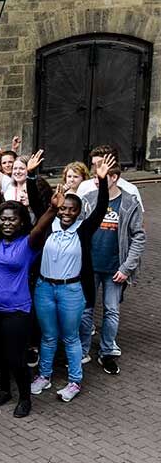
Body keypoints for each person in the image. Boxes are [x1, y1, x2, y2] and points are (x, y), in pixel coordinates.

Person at [31, 155, 113, 402]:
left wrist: (102, 180)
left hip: (71, 291)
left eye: (72, 209)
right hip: (44, 288)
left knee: (70, 337)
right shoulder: (49, 225)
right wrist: (31, 176)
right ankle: (44, 375)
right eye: (63, 208)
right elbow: (36, 204)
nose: (66, 212)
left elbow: (101, 209)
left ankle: (74, 381)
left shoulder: (84, 230)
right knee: (48, 336)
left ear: (79, 212)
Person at [0, 191, 61, 419]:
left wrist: (53, 209)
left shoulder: (28, 243)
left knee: (16, 357)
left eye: (12, 219)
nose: (7, 223)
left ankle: (25, 398)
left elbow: (40, 228)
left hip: (16, 311)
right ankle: (5, 390)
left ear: (22, 221)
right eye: (3, 219)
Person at [78, 153, 146, 374]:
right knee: (86, 309)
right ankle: (82, 350)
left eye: (102, 175)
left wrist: (127, 268)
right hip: (90, 266)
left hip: (115, 268)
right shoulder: (88, 199)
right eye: (95, 176)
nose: (96, 180)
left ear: (114, 177)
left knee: (111, 310)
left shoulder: (129, 202)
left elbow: (138, 237)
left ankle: (107, 351)